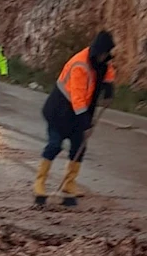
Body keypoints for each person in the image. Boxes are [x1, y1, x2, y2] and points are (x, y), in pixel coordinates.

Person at [34, 30, 116, 206]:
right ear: (97, 51)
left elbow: (107, 71)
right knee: (55, 144)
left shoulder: (102, 62)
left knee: (79, 146)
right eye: (102, 54)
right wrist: (85, 123)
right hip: (59, 110)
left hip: (79, 111)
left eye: (106, 54)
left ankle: (69, 184)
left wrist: (109, 87)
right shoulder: (80, 64)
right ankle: (39, 182)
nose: (104, 57)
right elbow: (77, 99)